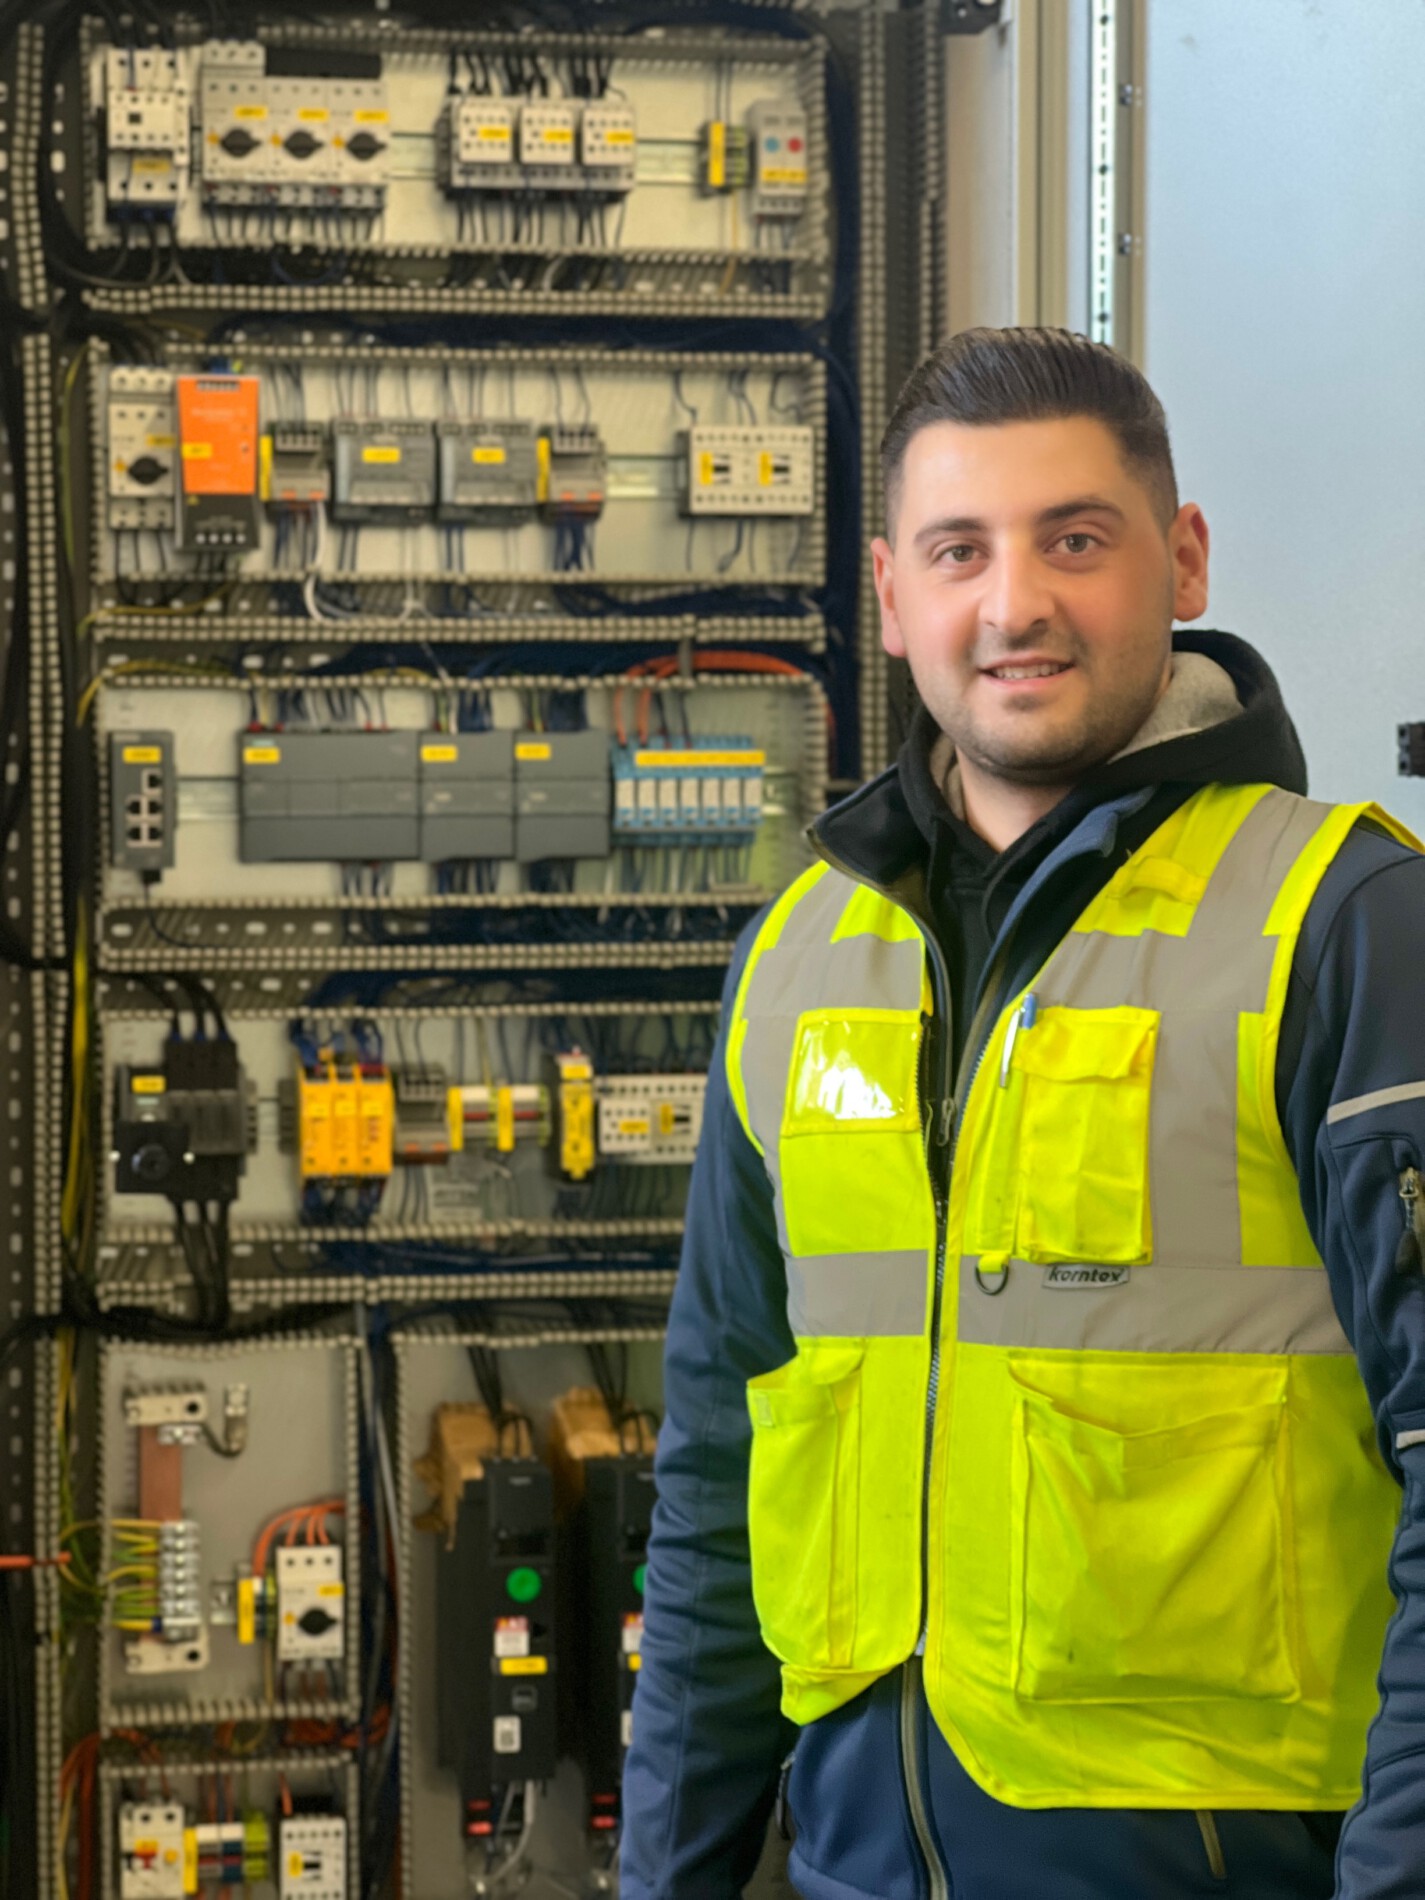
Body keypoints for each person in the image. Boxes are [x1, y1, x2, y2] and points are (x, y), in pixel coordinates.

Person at [619, 325, 1425, 1900]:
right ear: (889, 593)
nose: (1013, 605)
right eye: (958, 550)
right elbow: (715, 1474)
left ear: (1180, 561)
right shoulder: (797, 957)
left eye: (1074, 540)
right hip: (858, 1864)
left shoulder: (1342, 926)